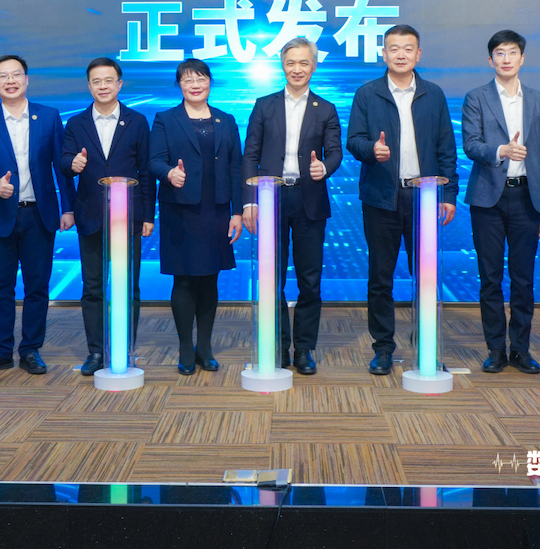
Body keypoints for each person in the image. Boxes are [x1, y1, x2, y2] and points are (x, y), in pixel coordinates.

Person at [346, 25, 458, 375]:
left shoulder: (433, 95)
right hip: (381, 197)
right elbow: (353, 140)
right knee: (380, 277)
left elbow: (446, 148)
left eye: (408, 48)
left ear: (418, 54)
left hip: (425, 197)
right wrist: (372, 150)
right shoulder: (368, 93)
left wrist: (449, 194)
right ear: (384, 53)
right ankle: (383, 348)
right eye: (394, 48)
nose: (400, 54)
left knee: (425, 276)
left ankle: (426, 346)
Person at [242, 37, 343, 375]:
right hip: (270, 197)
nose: (297, 69)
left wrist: (324, 167)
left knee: (309, 280)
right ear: (282, 66)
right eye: (290, 63)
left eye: (303, 63)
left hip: (308, 199)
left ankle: (304, 349)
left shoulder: (325, 109)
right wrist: (249, 201)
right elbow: (250, 156)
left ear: (313, 66)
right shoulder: (264, 105)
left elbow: (335, 152)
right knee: (272, 279)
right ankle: (278, 346)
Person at [0, 54, 75, 375]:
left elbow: (61, 166)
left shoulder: (49, 117)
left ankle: (31, 349)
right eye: (3, 76)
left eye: (16, 74)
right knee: (0, 287)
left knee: (37, 286)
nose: (10, 81)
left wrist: (68, 208)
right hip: (0, 215)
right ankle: (1, 349)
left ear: (26, 79)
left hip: (39, 215)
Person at [462, 30, 540, 375]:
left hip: (527, 197)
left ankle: (521, 349)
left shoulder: (537, 100)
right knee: (490, 277)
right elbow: (470, 144)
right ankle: (496, 349)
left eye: (512, 52)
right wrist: (501, 150)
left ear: (522, 58)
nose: (506, 59)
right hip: (488, 198)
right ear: (491, 60)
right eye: (499, 53)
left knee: (523, 278)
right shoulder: (476, 97)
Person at [61, 57, 156, 376]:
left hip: (128, 217)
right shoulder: (76, 124)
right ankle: (96, 351)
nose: (103, 86)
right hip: (91, 216)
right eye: (96, 81)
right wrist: (72, 164)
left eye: (108, 80)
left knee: (129, 287)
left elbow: (146, 171)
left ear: (119, 84)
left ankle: (125, 349)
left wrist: (147, 214)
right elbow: (64, 163)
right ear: (89, 86)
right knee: (93, 288)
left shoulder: (137, 121)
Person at [148, 59, 244, 375]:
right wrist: (169, 173)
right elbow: (154, 160)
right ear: (179, 85)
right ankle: (186, 347)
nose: (195, 84)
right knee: (184, 279)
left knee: (210, 278)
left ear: (209, 83)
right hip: (181, 210)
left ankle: (205, 346)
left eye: (200, 78)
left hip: (216, 211)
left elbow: (235, 167)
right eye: (187, 79)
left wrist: (237, 211)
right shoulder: (165, 119)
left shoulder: (226, 120)